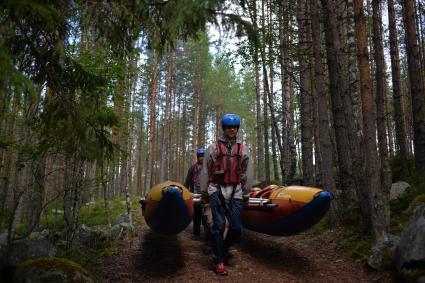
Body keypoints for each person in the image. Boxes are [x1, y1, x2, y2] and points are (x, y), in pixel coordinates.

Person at [199, 113, 253, 276]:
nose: (231, 129)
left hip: (236, 188)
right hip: (216, 188)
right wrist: (203, 192)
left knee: (236, 227)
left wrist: (246, 192)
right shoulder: (213, 148)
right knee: (219, 225)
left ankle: (223, 249)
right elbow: (205, 170)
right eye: (229, 127)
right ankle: (218, 261)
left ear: (237, 129)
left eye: (234, 127)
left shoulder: (243, 149)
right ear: (224, 128)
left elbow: (248, 172)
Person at [184, 148, 210, 237]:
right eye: (200, 157)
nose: (202, 158)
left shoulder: (209, 168)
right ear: (198, 157)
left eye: (203, 156)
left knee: (206, 215)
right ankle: (196, 232)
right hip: (195, 195)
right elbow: (187, 181)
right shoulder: (192, 168)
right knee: (196, 215)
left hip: (206, 194)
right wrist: (185, 191)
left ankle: (208, 233)